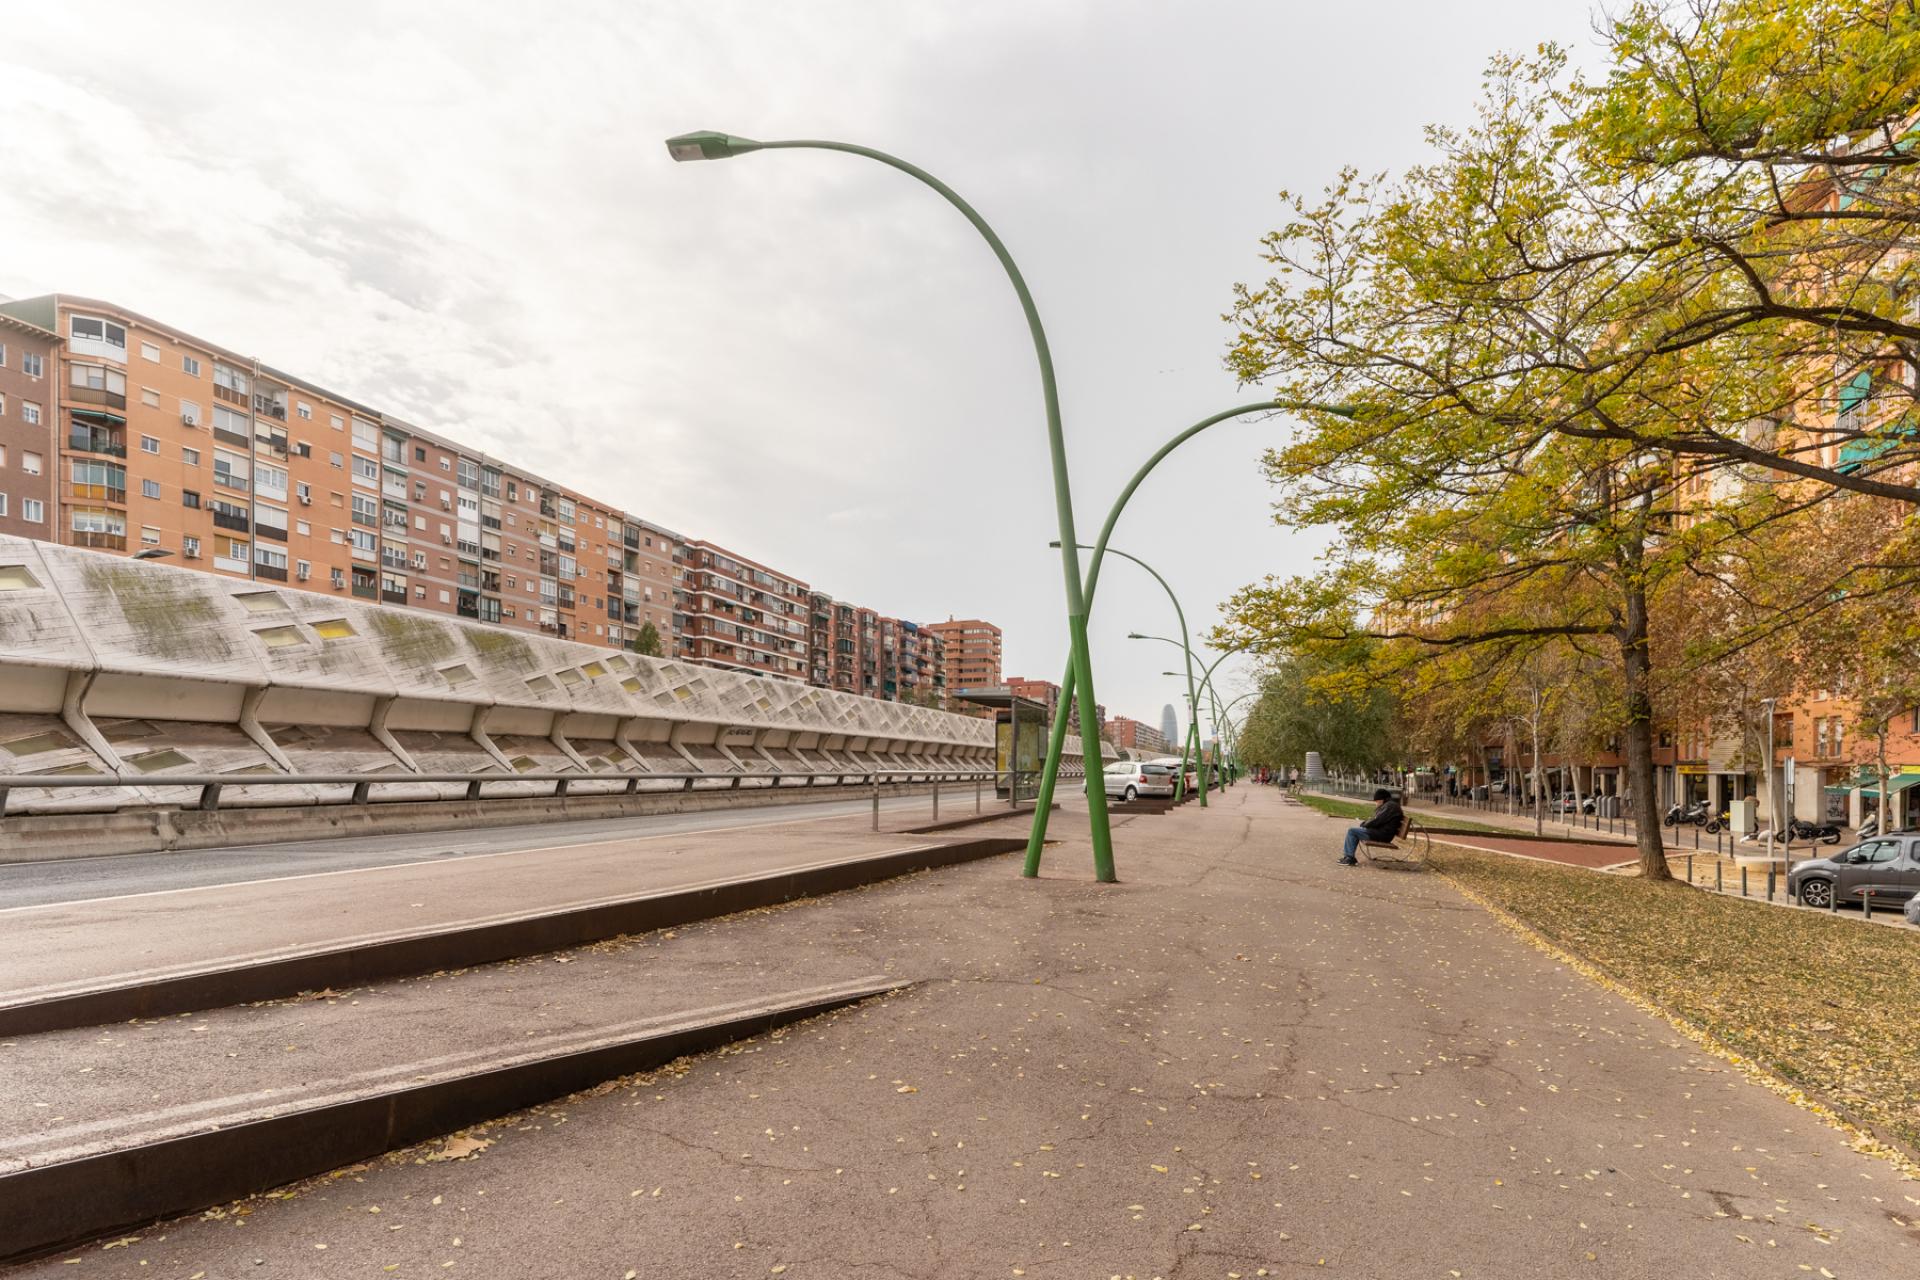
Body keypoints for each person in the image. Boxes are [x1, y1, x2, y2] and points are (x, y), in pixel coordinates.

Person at [1341, 787, 1405, 865]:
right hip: (1380, 832)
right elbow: (1377, 819)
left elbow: (1377, 820)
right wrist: (1365, 824)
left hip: (1382, 835)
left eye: (1377, 801)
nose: (1376, 803)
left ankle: (1349, 858)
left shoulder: (1390, 806)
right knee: (1354, 831)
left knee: (1352, 831)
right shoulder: (1389, 805)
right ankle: (1348, 857)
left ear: (1382, 799)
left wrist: (1365, 824)